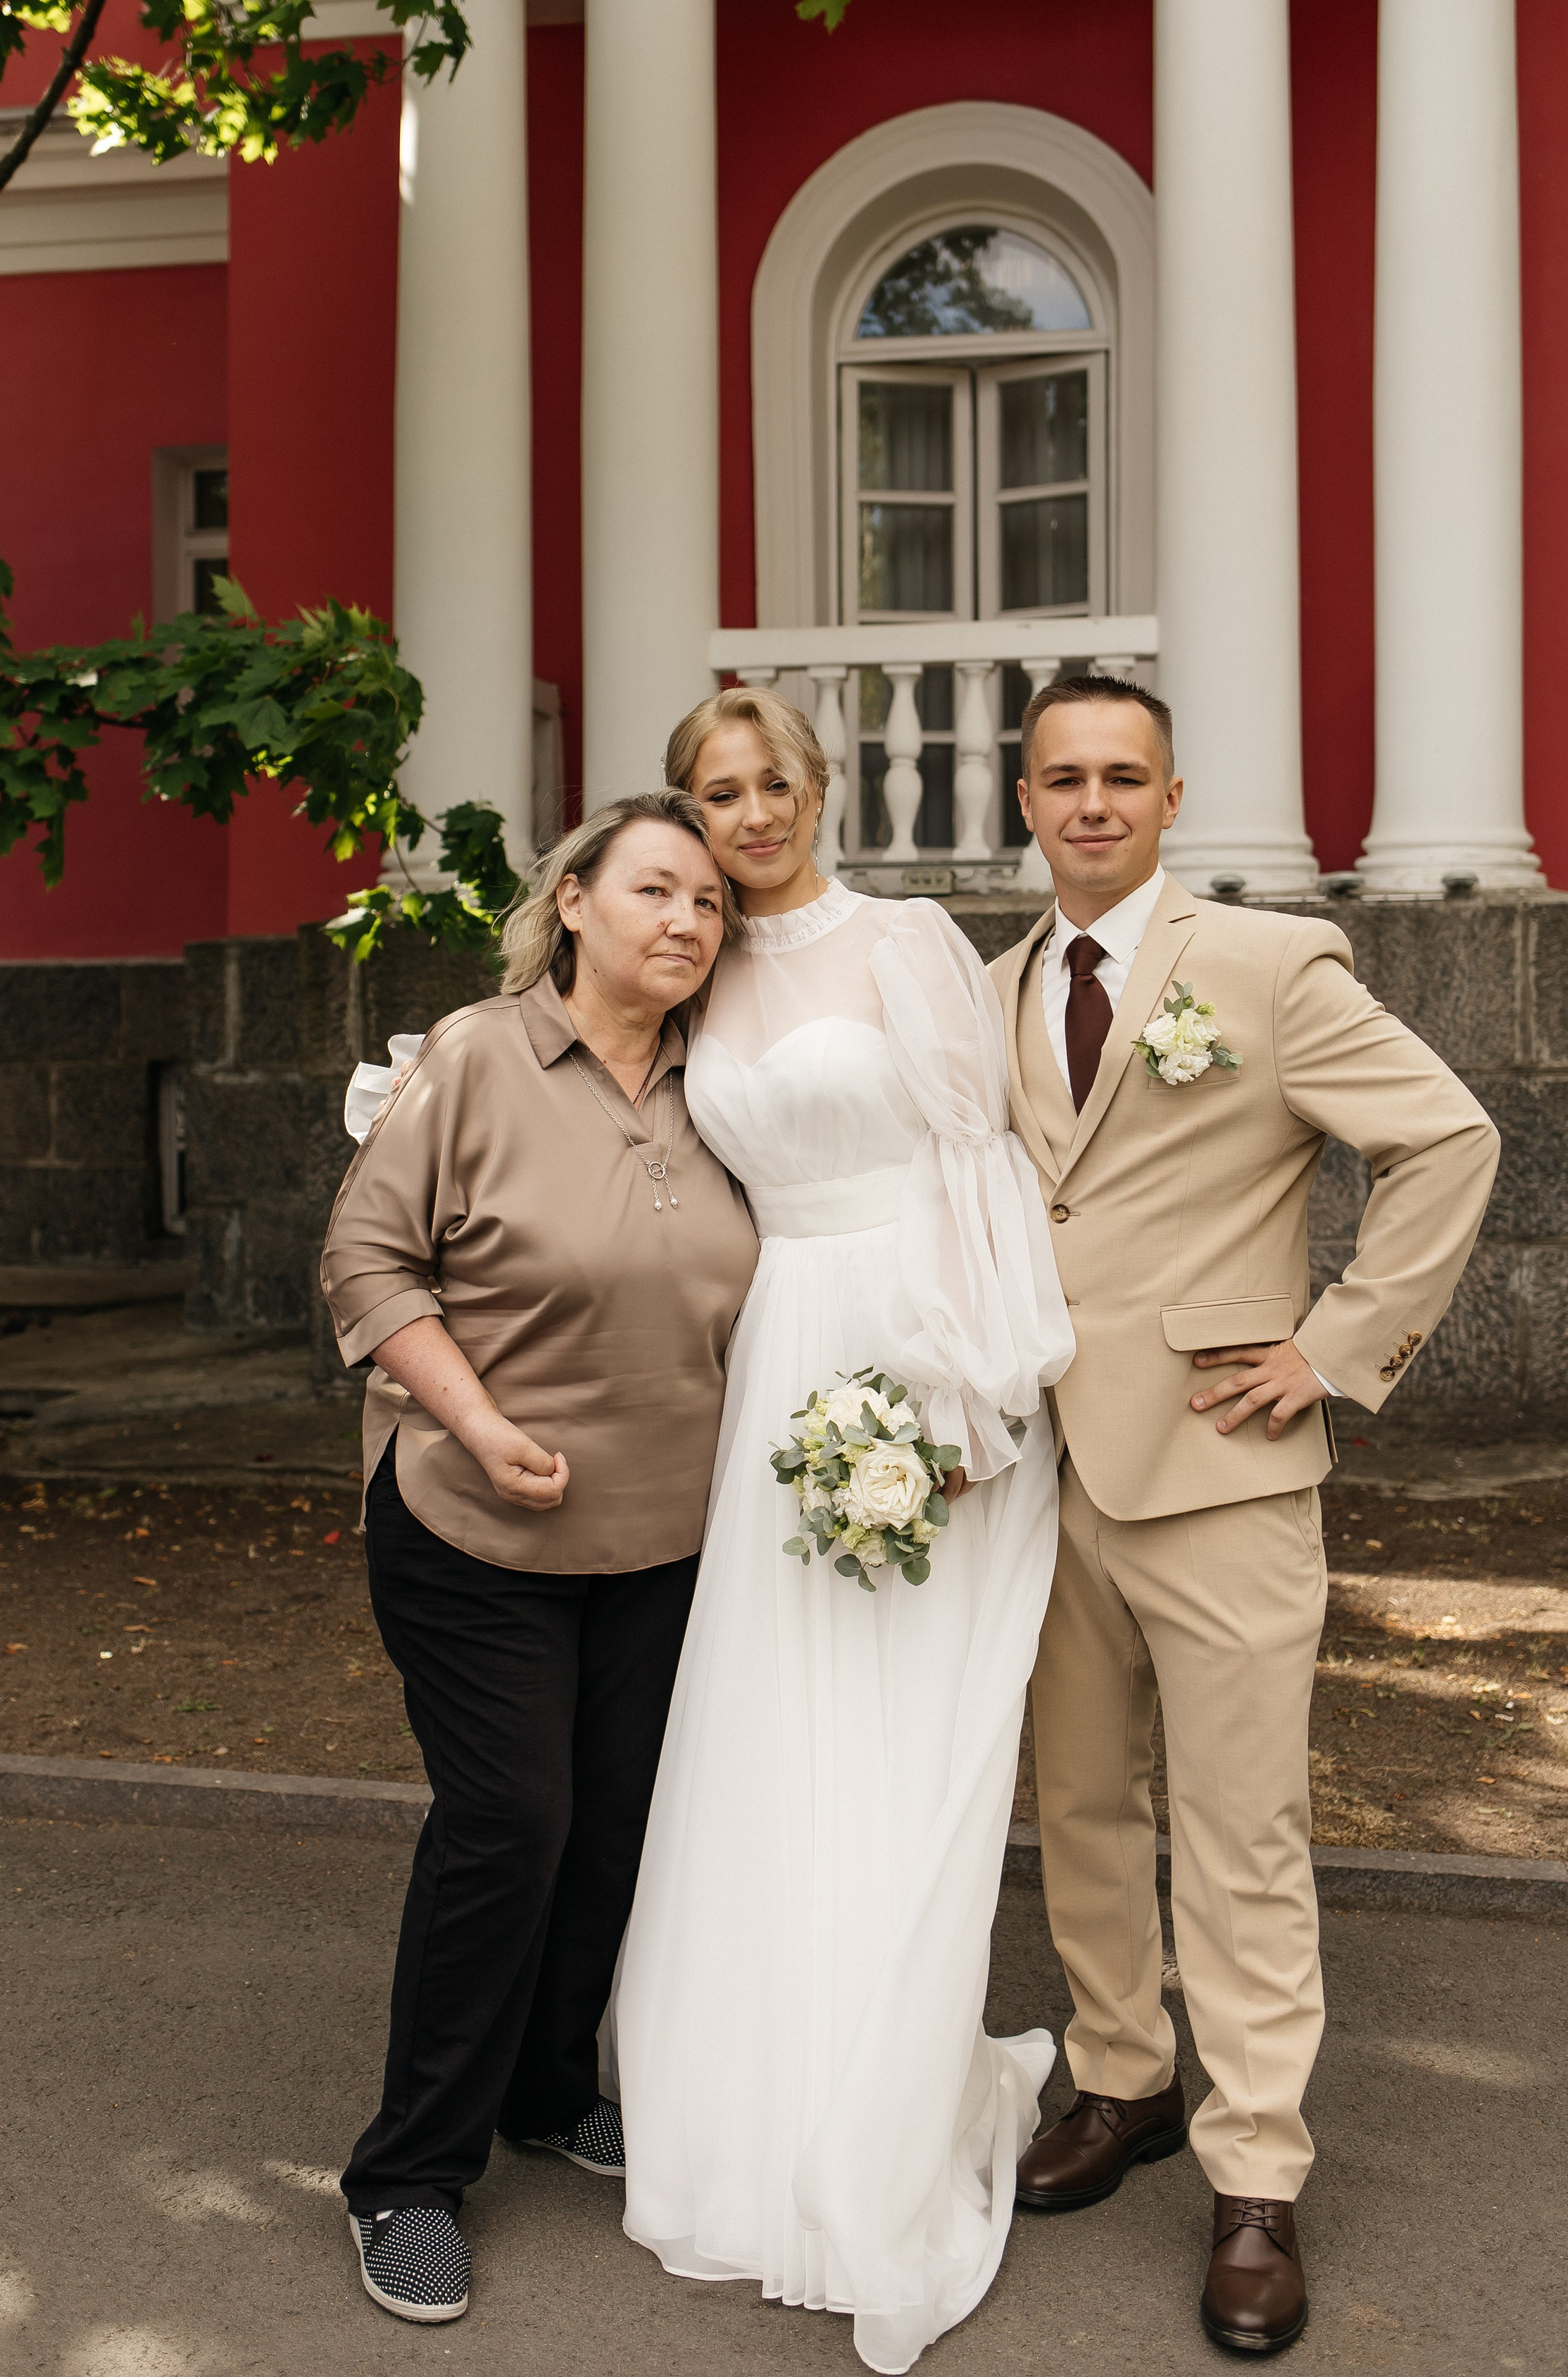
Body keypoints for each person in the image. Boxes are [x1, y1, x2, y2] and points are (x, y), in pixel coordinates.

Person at [989, 675, 1498, 2358]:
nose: (1088, 803)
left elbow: (1443, 1141)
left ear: (1170, 794)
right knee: (1073, 1806)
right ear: (1023, 795)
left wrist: (1336, 1348)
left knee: (1239, 1832)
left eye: (1118, 777)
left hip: (1220, 1465)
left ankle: (1256, 2174)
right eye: (1060, 777)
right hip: (1038, 1476)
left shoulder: (1266, 967)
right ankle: (1119, 2080)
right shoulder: (990, 993)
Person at [615, 690, 1075, 2374]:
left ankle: (885, 2108)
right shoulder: (690, 967)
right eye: (714, 794)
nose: (747, 816)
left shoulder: (906, 943)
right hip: (776, 1362)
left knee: (898, 1736)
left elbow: (979, 1161)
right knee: (763, 1727)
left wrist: (968, 1397)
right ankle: (756, 2100)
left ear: (820, 787)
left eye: (770, 783)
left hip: (917, 1351)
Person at [318, 792, 759, 2327]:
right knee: (511, 1819)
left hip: (667, 1533)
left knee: (611, 1830)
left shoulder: (732, 1085)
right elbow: (365, 1259)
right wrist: (476, 1417)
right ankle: (407, 2176)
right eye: (652, 889)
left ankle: (546, 2088)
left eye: (708, 903)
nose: (684, 923)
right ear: (573, 902)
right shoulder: (480, 1055)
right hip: (471, 1514)